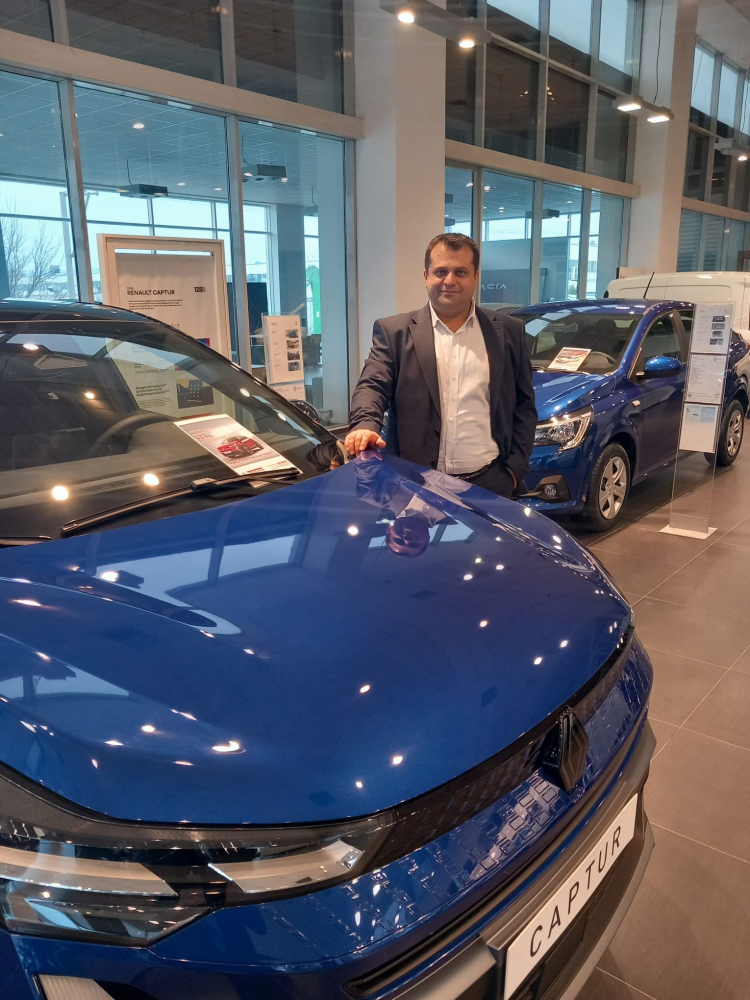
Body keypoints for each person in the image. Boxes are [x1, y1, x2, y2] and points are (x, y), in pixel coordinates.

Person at [345, 233, 537, 498]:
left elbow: (524, 405)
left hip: (490, 483)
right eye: (441, 271)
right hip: (413, 485)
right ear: (426, 277)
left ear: (475, 277)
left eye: (460, 272)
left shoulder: (509, 332)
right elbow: (372, 385)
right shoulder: (394, 332)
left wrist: (513, 471)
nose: (449, 281)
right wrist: (366, 424)